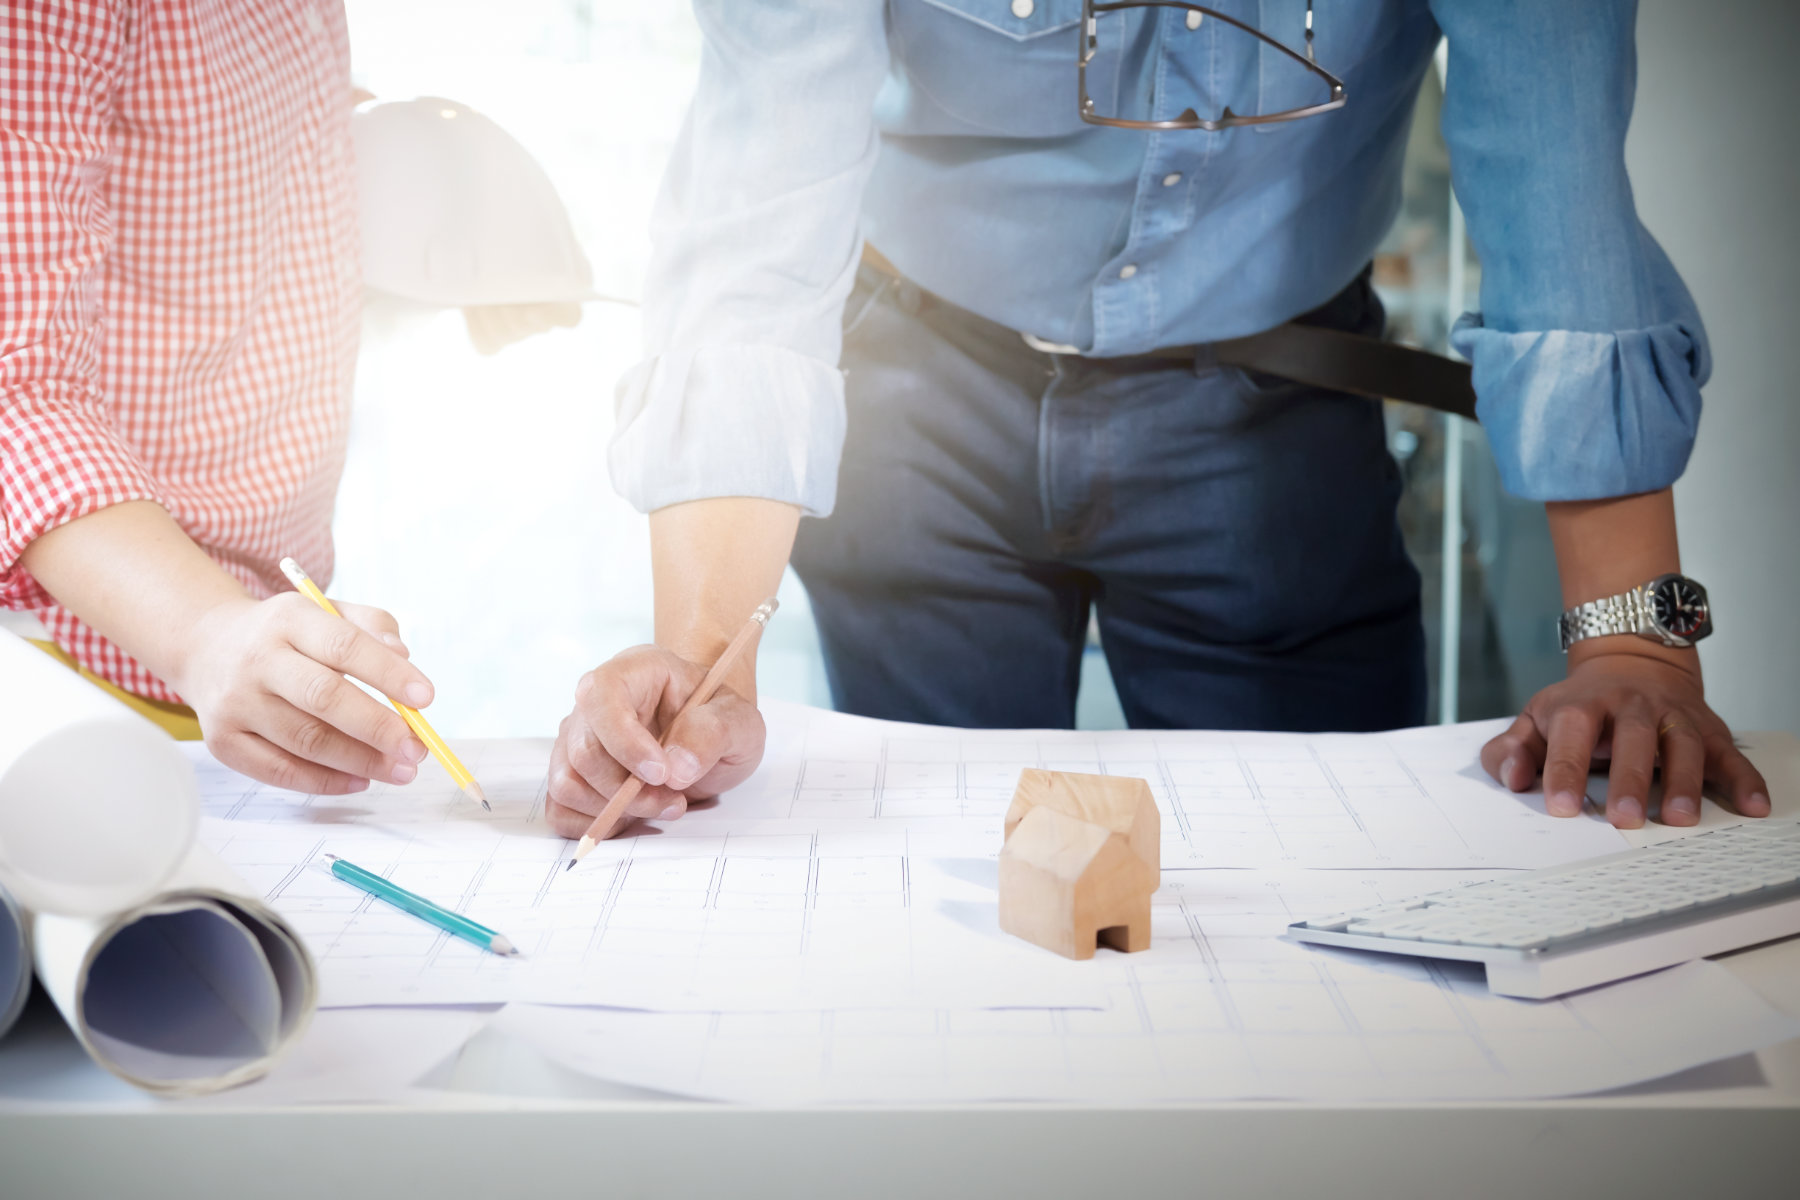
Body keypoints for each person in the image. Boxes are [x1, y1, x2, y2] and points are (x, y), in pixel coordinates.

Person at [545, 0, 1770, 839]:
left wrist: (1633, 651)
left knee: (1333, 887)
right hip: (918, 397)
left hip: (1270, 414)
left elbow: (1560, 193)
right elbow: (758, 213)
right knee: (907, 874)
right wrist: (705, 669)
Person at [0, 1, 434, 794]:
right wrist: (206, 630)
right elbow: (15, 383)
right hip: (74, 659)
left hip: (237, 651)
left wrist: (449, 233)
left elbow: (231, 171)